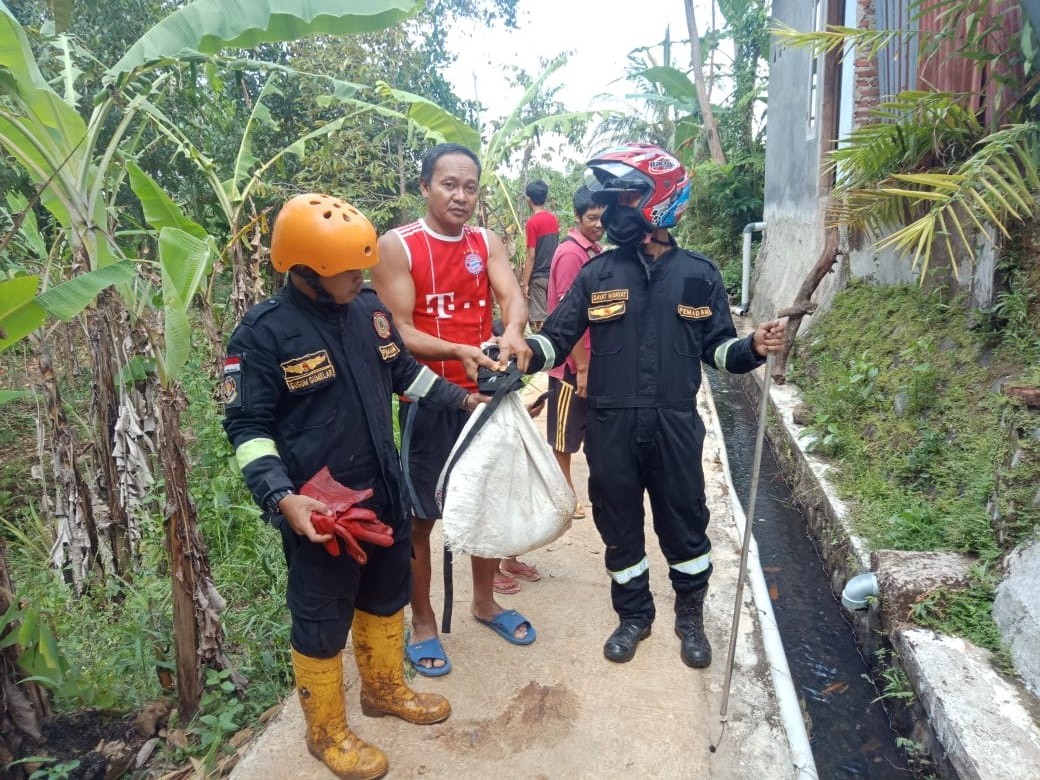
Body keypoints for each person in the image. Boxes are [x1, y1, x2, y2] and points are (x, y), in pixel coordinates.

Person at [223, 193, 487, 779]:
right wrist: (282, 498)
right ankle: (325, 731)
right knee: (321, 617)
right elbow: (246, 427)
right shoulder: (263, 335)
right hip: (322, 511)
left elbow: (404, 373)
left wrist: (463, 399)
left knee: (386, 594)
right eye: (347, 269)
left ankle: (384, 689)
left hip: (383, 490)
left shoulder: (367, 309)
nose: (360, 277)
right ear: (307, 270)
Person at [521, 143, 786, 668]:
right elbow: (556, 339)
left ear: (659, 200)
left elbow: (720, 352)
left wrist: (754, 347)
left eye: (624, 198)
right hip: (610, 425)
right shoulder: (597, 275)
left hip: (674, 426)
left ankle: (690, 616)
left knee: (685, 526)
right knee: (618, 525)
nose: (610, 209)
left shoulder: (699, 275)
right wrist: (517, 354)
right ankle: (634, 615)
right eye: (611, 199)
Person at [371, 143, 538, 678]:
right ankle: (422, 623)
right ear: (425, 186)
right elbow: (398, 331)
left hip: (486, 397)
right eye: (449, 184)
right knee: (422, 517)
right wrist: (458, 352)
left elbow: (512, 294)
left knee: (487, 501)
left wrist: (511, 329)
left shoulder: (486, 241)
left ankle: (484, 603)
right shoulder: (398, 246)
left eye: (470, 186)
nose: (461, 196)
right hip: (427, 398)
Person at [544, 185, 605, 520]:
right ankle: (563, 494)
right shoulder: (571, 255)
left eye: (602, 217)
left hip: (590, 358)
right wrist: (580, 366)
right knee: (564, 434)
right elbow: (571, 316)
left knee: (582, 429)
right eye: (592, 218)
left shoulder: (593, 251)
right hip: (571, 362)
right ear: (577, 217)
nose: (598, 223)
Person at [519, 179, 559, 332]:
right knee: (552, 315)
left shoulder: (532, 223)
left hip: (538, 277)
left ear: (529, 199)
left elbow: (531, 256)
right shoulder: (553, 219)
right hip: (553, 275)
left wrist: (525, 283)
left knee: (540, 321)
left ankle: (545, 351)